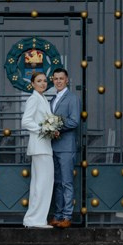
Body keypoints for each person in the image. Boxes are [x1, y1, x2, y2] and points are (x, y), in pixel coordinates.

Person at [47, 67, 81, 228]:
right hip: (53, 146)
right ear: (53, 80)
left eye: (61, 78)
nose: (58, 81)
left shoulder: (73, 98)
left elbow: (74, 121)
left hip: (67, 147)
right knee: (57, 183)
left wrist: (56, 124)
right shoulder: (52, 100)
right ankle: (58, 215)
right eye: (56, 79)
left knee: (67, 182)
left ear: (67, 80)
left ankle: (67, 216)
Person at [20, 71, 54, 228]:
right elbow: (26, 121)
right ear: (32, 84)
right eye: (39, 81)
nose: (43, 83)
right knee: (42, 184)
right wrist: (44, 129)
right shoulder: (33, 99)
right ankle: (35, 220)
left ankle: (35, 219)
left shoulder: (43, 98)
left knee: (41, 184)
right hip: (40, 147)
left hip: (44, 146)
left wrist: (51, 130)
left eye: (44, 81)